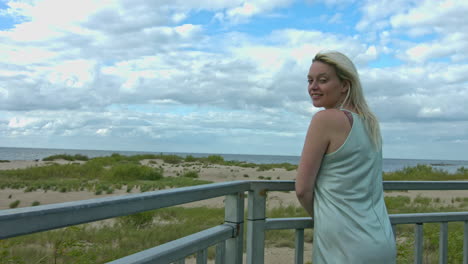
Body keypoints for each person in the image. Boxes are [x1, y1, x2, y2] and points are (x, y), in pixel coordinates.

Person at [295, 51, 396, 263]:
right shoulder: (369, 123)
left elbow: (303, 189)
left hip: (346, 246)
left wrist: (323, 216)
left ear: (344, 85)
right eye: (310, 80)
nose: (313, 87)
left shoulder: (325, 119)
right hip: (381, 239)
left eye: (322, 80)